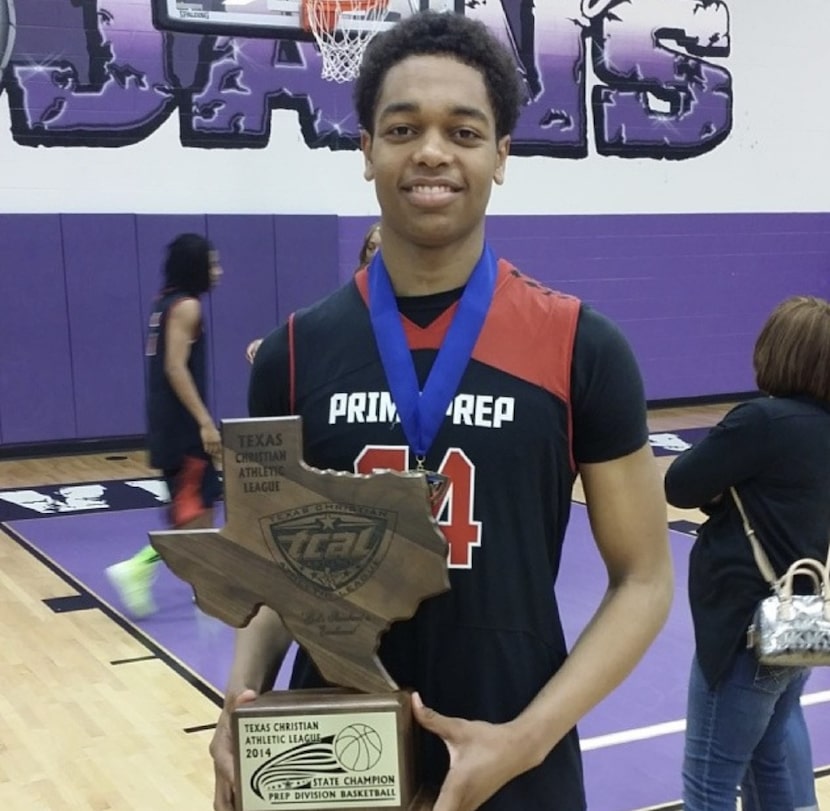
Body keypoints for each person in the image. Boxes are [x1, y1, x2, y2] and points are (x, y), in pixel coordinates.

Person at [211, 11, 673, 811]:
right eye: (402, 127)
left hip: (513, 750)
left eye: (463, 130)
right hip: (332, 757)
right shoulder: (293, 355)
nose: (431, 151)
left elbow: (644, 579)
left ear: (501, 154)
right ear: (366, 150)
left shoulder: (581, 347)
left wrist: (526, 738)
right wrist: (239, 702)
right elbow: (278, 578)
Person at [664, 295, 830, 811]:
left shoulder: (760, 422)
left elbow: (680, 484)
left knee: (709, 782)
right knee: (772, 757)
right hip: (795, 619)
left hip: (745, 628)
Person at [107, 233, 224, 618]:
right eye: (212, 264)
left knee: (201, 511)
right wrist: (206, 422)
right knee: (192, 515)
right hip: (183, 428)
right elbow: (175, 367)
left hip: (170, 423)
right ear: (196, 268)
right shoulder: (187, 307)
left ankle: (204, 589)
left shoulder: (165, 302)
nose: (218, 271)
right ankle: (137, 567)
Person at [244, 221, 382, 364]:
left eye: (384, 248)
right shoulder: (355, 293)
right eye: (371, 248)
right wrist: (271, 345)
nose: (376, 254)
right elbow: (319, 326)